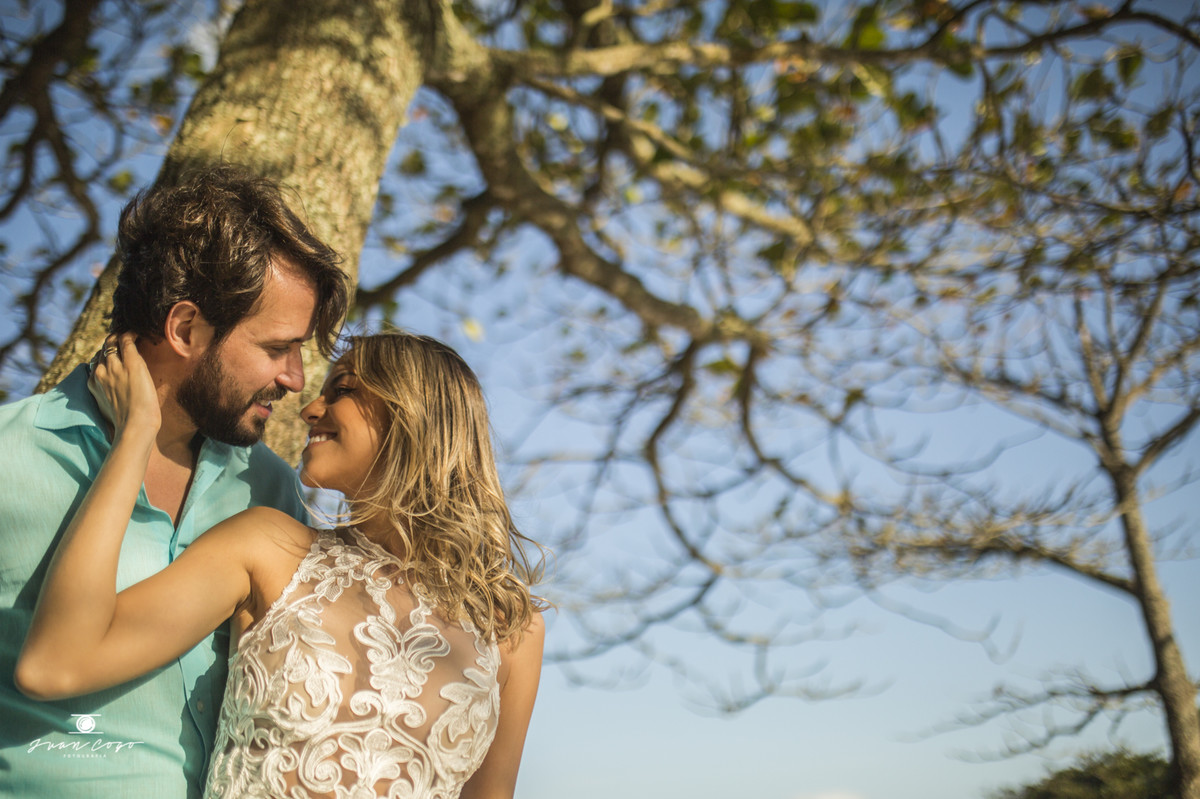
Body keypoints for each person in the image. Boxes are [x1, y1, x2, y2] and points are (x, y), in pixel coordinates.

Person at [16, 330, 548, 798]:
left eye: (341, 390)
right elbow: (55, 663)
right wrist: (136, 435)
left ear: (415, 413)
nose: (310, 408)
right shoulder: (267, 547)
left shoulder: (512, 627)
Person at [0, 164, 349, 798]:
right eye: (278, 348)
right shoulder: (9, 456)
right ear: (186, 328)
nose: (297, 380)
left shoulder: (270, 493)